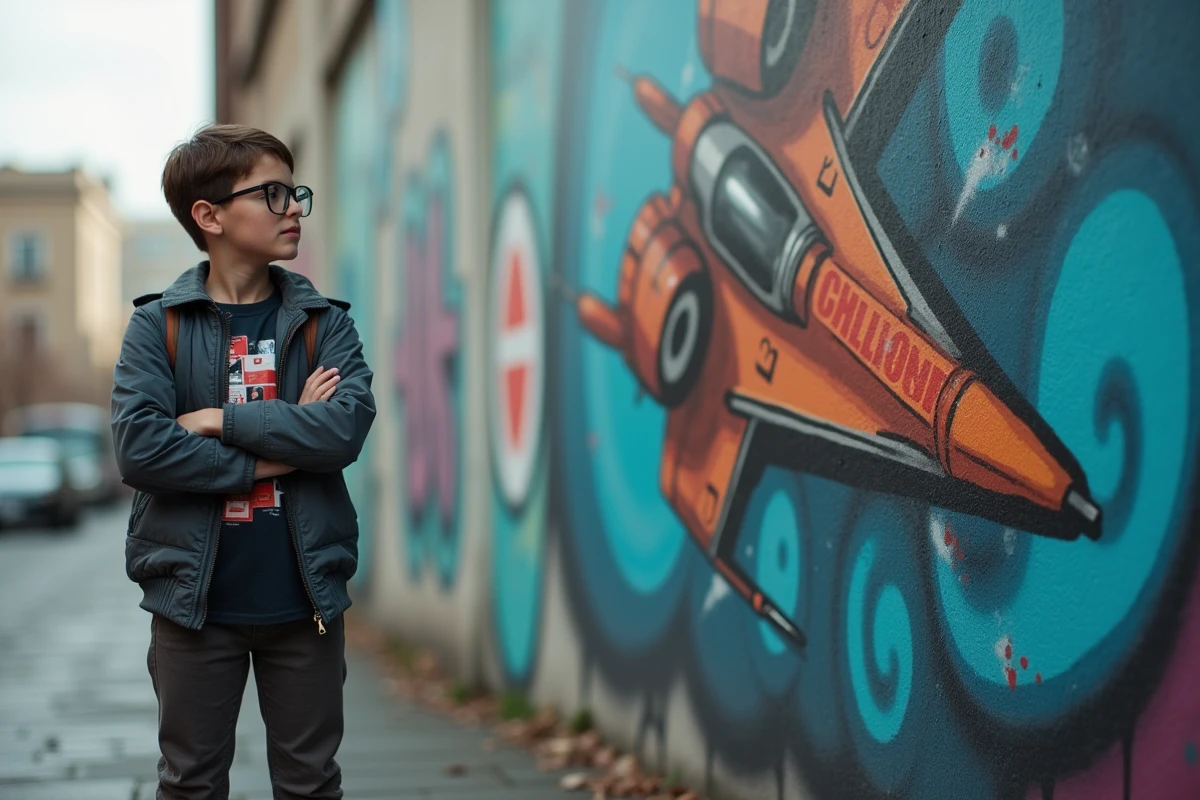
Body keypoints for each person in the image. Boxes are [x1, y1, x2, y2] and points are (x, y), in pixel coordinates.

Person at [110, 124, 375, 799]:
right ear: (211, 215)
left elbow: (342, 432)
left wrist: (216, 421)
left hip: (304, 603)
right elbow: (141, 448)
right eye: (274, 193)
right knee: (191, 784)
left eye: (296, 192)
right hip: (193, 608)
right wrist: (276, 456)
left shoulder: (324, 324)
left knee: (311, 785)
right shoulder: (158, 327)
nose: (294, 208)